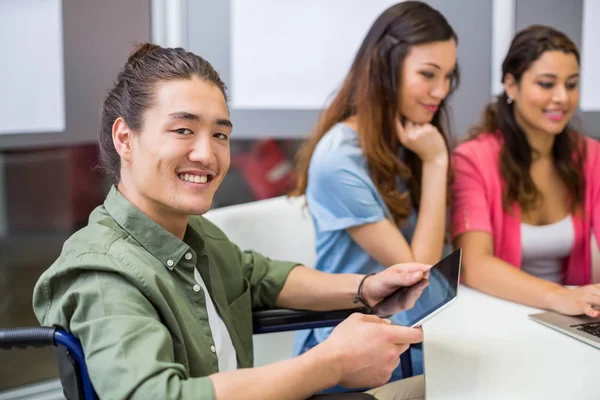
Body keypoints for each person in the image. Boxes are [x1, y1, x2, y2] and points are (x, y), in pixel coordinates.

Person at [32, 44, 430, 400]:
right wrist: (332, 362)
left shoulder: (192, 232)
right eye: (183, 130)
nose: (207, 154)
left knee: (442, 384)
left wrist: (366, 288)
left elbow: (258, 276)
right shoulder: (104, 273)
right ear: (125, 139)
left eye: (220, 135)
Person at [289, 0, 458, 385]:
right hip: (352, 354)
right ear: (386, 69)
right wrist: (435, 165)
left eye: (449, 76)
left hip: (407, 340)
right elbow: (419, 276)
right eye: (429, 74)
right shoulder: (339, 159)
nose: (441, 91)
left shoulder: (408, 137)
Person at [451, 25, 600, 318]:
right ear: (511, 85)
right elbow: (474, 264)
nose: (562, 98)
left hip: (569, 315)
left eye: (571, 85)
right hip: (499, 314)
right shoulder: (472, 159)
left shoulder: (590, 155)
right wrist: (556, 296)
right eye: (546, 84)